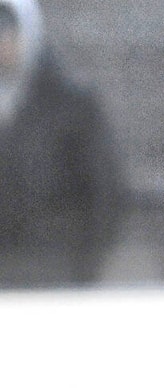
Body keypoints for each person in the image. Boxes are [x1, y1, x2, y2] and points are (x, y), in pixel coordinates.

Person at [0, 0, 128, 287]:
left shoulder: (71, 105)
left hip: (52, 277)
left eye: (7, 30)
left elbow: (104, 193)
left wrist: (78, 266)